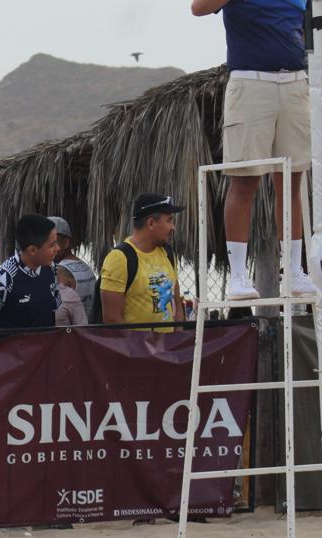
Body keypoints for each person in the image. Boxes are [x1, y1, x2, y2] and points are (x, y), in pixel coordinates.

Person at [192, 0, 312, 300]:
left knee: (292, 180)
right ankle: (238, 276)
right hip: (250, 81)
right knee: (245, 178)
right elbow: (198, 7)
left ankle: (294, 271)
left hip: (296, 81)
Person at [0, 214, 61, 334]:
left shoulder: (51, 268)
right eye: (52, 245)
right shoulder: (3, 279)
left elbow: (53, 312)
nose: (58, 248)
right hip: (7, 352)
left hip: (41, 350)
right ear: (33, 250)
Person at [99, 193, 185, 327]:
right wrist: (139, 347)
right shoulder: (119, 258)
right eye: (169, 220)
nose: (173, 227)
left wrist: (177, 342)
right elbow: (112, 319)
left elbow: (177, 305)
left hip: (168, 346)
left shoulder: (168, 253)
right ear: (151, 223)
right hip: (136, 347)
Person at [50, 216, 96, 318]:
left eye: (52, 242)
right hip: (88, 329)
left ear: (66, 243)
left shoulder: (60, 271)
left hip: (72, 332)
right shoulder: (85, 266)